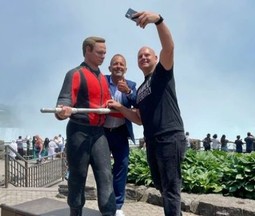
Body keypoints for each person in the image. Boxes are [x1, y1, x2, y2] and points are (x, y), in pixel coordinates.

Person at [107, 11, 187, 216]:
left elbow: (169, 47)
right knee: (162, 187)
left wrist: (158, 21)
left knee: (171, 189)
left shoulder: (162, 73)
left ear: (156, 58)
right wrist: (120, 108)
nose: (143, 58)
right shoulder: (141, 88)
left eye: (147, 55)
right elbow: (139, 119)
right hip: (152, 140)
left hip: (169, 136)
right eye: (140, 56)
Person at [55, 36, 116, 216]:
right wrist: (62, 111)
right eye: (99, 52)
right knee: (77, 176)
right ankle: (75, 212)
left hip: (99, 134)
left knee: (106, 176)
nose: (103, 56)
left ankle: (109, 213)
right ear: (87, 50)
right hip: (78, 132)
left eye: (105, 53)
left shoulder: (103, 79)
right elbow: (64, 101)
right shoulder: (75, 74)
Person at [103, 54, 137, 216]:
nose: (118, 66)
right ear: (110, 68)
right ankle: (104, 205)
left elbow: (138, 102)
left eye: (121, 64)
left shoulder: (131, 84)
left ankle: (117, 206)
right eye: (115, 64)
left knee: (121, 167)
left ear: (125, 69)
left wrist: (129, 92)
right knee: (102, 169)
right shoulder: (102, 81)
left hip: (121, 133)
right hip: (102, 133)